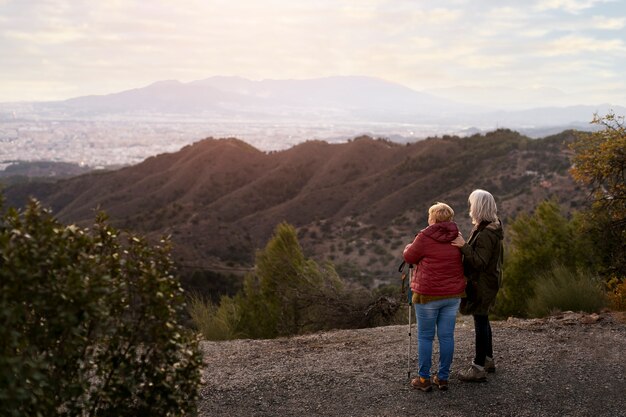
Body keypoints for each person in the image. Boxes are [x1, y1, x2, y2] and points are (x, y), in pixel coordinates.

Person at [403, 202, 466, 392]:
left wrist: (408, 246)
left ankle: (424, 379)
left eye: (430, 216)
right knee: (447, 337)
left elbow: (409, 257)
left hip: (427, 295)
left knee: (425, 336)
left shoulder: (424, 237)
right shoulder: (458, 236)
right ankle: (443, 378)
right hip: (453, 294)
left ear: (433, 219)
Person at [451, 189, 504, 382]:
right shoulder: (488, 227)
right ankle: (488, 360)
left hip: (483, 284)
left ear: (479, 207)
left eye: (472, 204)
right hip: (487, 282)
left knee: (480, 322)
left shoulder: (485, 234)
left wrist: (463, 245)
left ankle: (478, 367)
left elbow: (480, 262)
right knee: (483, 319)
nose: (470, 207)